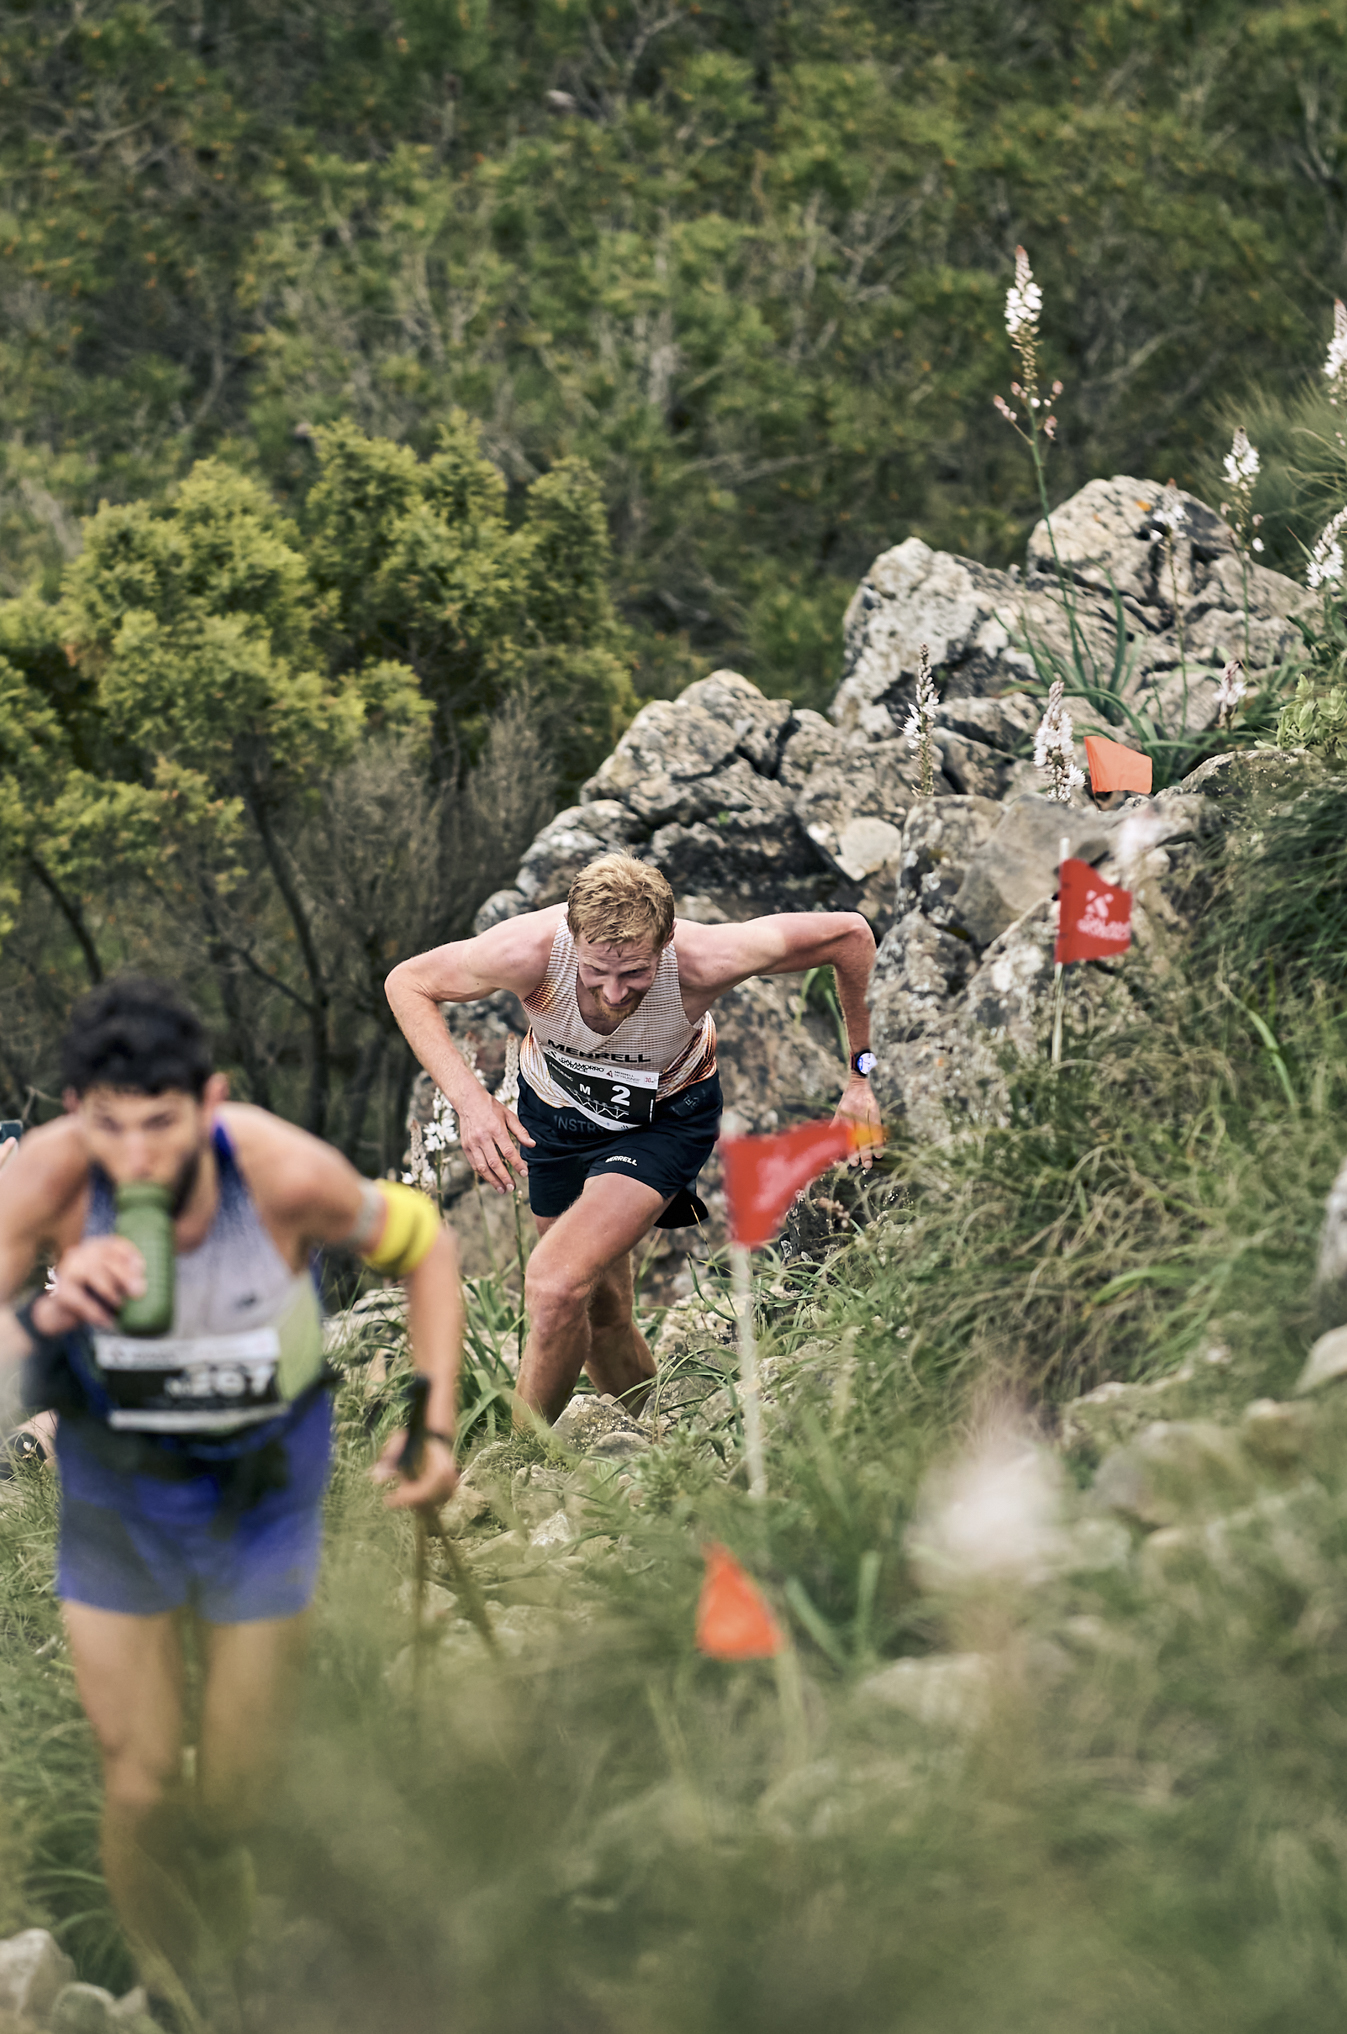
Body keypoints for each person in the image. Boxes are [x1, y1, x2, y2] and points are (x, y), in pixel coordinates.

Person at [0, 978, 460, 2026]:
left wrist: (432, 1423)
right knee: (142, 1781)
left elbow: (427, 1246)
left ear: (209, 1101)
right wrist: (52, 1314)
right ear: (74, 1112)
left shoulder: (280, 1171)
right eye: (110, 1126)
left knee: (235, 1796)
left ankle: (247, 1926)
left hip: (260, 1494)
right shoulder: (48, 1181)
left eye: (162, 1124)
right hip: (120, 1492)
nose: (139, 1156)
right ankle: (177, 1996)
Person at [386, 852, 879, 1424]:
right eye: (596, 971)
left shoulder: (706, 958)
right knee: (601, 1313)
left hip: (664, 1121)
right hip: (557, 1122)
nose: (615, 993)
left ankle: (515, 1456)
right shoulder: (526, 951)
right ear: (572, 936)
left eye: (636, 973)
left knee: (553, 1285)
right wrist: (471, 1103)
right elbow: (408, 982)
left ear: (666, 941)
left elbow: (849, 935)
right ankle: (653, 1433)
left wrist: (861, 1077)